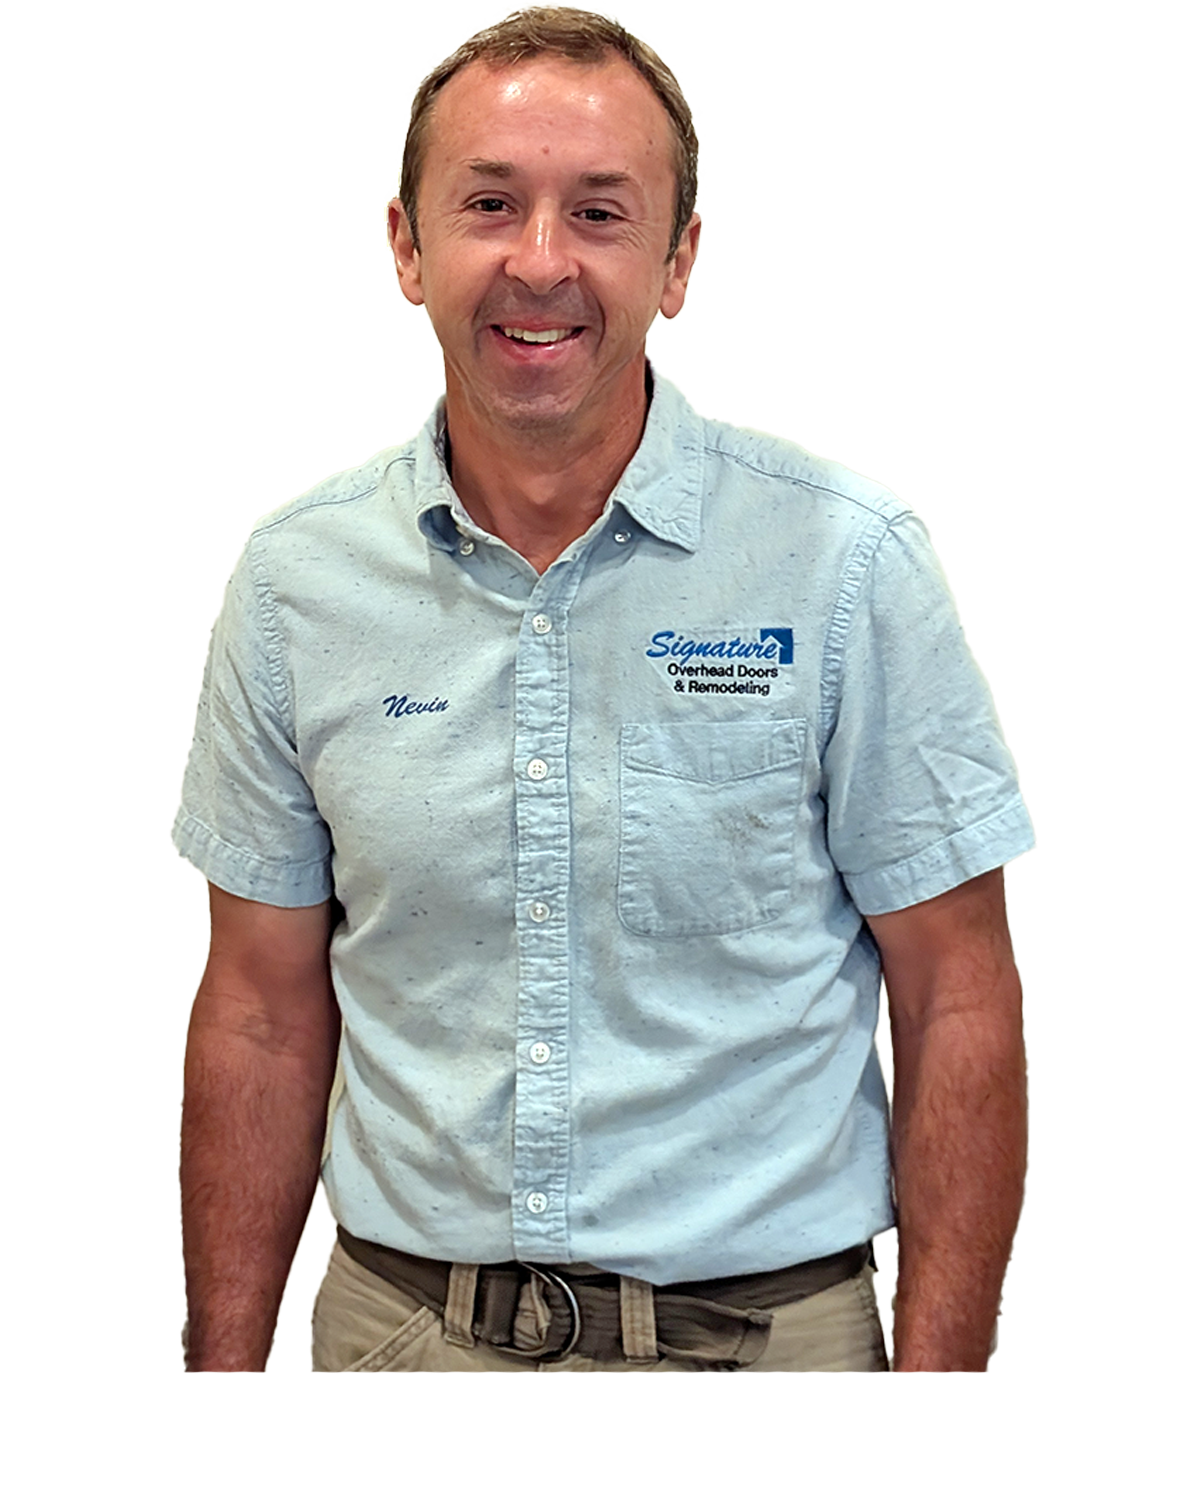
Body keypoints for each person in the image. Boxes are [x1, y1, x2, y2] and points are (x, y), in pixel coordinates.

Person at [175, 5, 1034, 1375]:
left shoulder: (846, 566)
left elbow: (958, 998)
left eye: (599, 212)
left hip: (771, 1357)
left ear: (677, 260)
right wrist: (214, 1401)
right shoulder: (295, 588)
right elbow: (261, 1016)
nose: (539, 261)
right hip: (403, 1351)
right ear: (406, 246)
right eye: (489, 204)